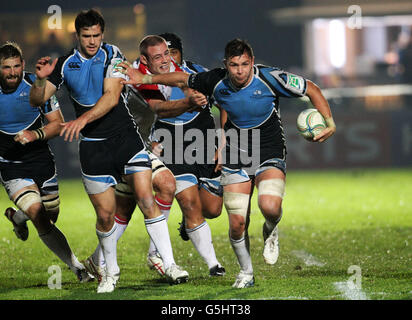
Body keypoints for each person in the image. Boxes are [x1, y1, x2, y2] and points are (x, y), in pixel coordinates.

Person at [118, 38, 336, 288]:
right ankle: (246, 272)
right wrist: (144, 79)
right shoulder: (216, 80)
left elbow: (311, 88)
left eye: (244, 64)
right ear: (226, 64)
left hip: (268, 150)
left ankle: (271, 228)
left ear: (252, 62)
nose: (239, 70)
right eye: (234, 65)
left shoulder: (270, 77)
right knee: (236, 223)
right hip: (236, 152)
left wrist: (330, 122)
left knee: (270, 206)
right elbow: (180, 79)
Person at [29, 9, 189, 293]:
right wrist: (41, 80)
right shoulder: (65, 64)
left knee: (146, 198)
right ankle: (110, 273)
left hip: (125, 140)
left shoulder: (112, 54)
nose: (92, 41)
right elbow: (37, 101)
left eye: (96, 35)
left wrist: (81, 119)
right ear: (77, 36)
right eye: (86, 36)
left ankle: (170, 263)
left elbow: (112, 96)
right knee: (105, 217)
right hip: (93, 149)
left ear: (103, 34)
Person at [122, 34, 225, 277]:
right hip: (170, 144)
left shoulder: (193, 72)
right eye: (160, 55)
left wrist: (223, 141)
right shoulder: (141, 78)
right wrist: (190, 103)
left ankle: (102, 259)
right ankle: (212, 264)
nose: (168, 59)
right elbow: (159, 111)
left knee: (212, 209)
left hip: (204, 142)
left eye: (171, 53)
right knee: (186, 201)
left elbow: (225, 102)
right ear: (146, 59)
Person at [0, 41, 91, 283]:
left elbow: (57, 124)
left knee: (50, 217)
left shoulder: (36, 86)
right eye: (6, 67)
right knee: (38, 213)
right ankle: (77, 267)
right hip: (11, 166)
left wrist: (34, 135)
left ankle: (18, 218)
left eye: (16, 66)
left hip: (42, 162)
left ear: (22, 65)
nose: (12, 72)